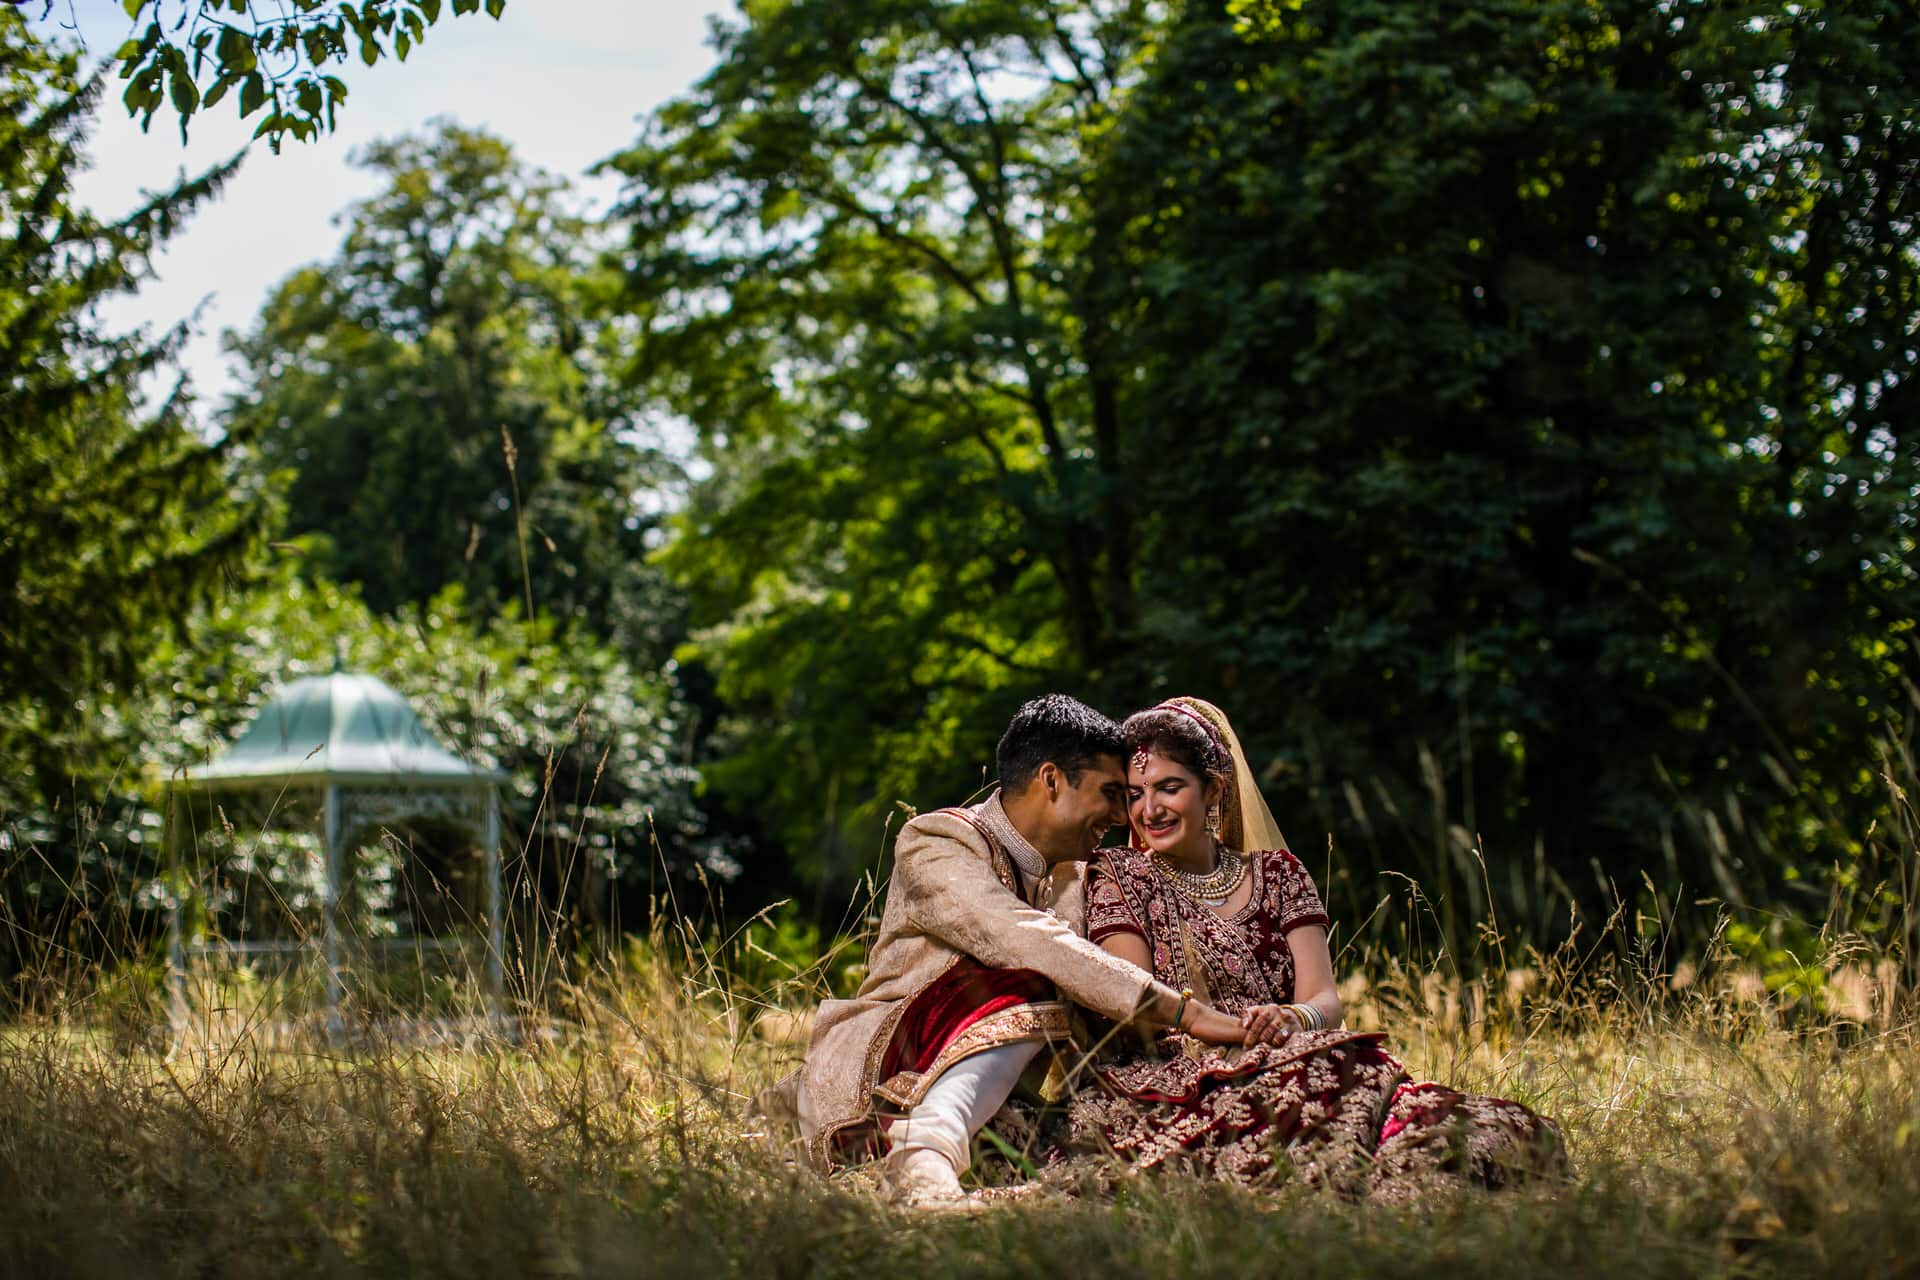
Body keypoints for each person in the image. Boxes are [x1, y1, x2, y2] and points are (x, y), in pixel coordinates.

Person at [1060, 697, 1565, 1197]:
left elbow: (1325, 998)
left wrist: (1290, 1020)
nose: (1149, 810)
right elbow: (1138, 1004)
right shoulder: (1119, 875)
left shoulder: (1278, 874)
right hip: (1181, 1078)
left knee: (1490, 1129)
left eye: (1169, 788)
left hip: (1290, 1050)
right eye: (1134, 794)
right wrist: (1229, 1033)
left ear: (1212, 789)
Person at [792, 694, 1249, 1203]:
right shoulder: (937, 840)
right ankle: (923, 1156)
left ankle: (951, 1161)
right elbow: (1026, 940)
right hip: (892, 1064)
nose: (1124, 815)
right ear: (1051, 780)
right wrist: (1185, 1013)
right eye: (1112, 793)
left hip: (1005, 1090)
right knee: (1032, 973)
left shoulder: (1080, 873)